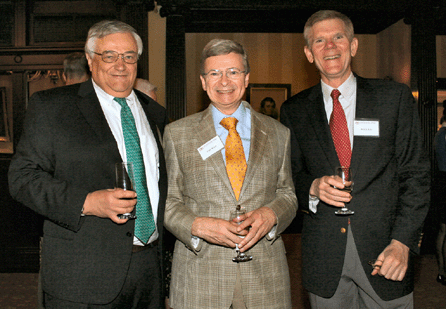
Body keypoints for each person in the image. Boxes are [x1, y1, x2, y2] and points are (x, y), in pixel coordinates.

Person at [9, 20, 168, 308]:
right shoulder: (53, 107)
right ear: (91, 61)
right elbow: (22, 178)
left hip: (148, 270)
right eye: (109, 55)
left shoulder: (153, 111)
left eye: (129, 56)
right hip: (83, 274)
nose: (120, 65)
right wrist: (88, 202)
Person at [280, 10, 430, 308]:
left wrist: (403, 243)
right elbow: (288, 179)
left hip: (386, 252)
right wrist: (311, 187)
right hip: (324, 258)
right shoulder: (294, 110)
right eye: (319, 41)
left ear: (354, 45)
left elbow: (417, 176)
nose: (330, 47)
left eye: (338, 37)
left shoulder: (394, 98)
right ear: (309, 53)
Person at [163, 39, 297, 309]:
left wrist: (271, 215)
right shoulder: (177, 134)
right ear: (203, 81)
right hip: (200, 276)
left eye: (233, 72)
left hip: (265, 277)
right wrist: (197, 226)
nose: (224, 81)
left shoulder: (278, 133)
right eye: (215, 73)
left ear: (246, 79)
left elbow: (288, 194)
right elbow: (167, 201)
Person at [434, 103, 446, 286]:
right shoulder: (444, 135)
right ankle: (443, 271)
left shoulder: (439, 134)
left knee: (444, 230)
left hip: (441, 182)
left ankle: (442, 271)